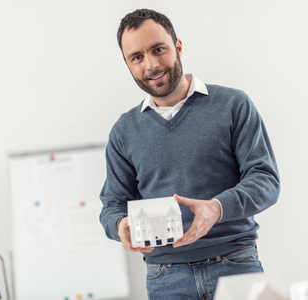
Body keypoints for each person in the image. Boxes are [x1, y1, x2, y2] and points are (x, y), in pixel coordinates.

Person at [99, 8, 280, 300]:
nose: (151, 65)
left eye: (159, 49)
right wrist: (120, 225)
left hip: (234, 265)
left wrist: (216, 208)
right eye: (137, 57)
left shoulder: (233, 105)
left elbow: (265, 181)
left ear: (178, 47)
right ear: (128, 64)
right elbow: (113, 204)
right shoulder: (124, 131)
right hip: (165, 277)